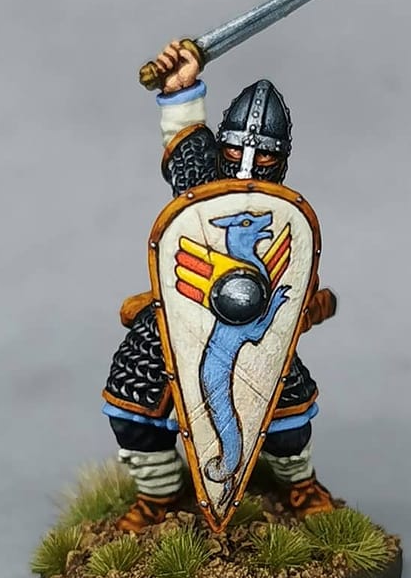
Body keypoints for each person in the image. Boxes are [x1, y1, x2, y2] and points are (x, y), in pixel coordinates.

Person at [102, 41, 337, 531]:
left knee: (287, 412)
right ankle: (158, 493)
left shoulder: (280, 217)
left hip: (257, 333)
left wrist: (307, 308)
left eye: (263, 155)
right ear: (221, 148)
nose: (247, 163)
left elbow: (295, 278)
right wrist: (180, 88)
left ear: (280, 159)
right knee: (132, 396)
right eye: (234, 150)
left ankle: (299, 485)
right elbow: (186, 138)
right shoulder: (202, 187)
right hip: (178, 322)